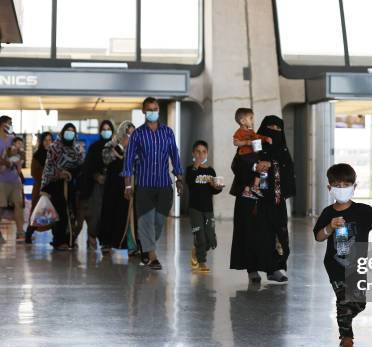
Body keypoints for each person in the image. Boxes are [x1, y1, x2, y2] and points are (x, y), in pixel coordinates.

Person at [314, 164, 372, 347]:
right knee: (343, 300)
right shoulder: (328, 213)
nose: (342, 189)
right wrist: (330, 228)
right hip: (335, 264)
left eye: (346, 184)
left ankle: (347, 318)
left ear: (354, 187)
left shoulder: (362, 211)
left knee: (359, 303)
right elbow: (318, 237)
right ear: (330, 188)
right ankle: (347, 339)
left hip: (357, 267)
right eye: (337, 185)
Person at [230, 115, 296, 284]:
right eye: (270, 127)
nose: (274, 132)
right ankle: (252, 269)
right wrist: (255, 166)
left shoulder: (283, 150)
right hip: (254, 201)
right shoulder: (255, 142)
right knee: (252, 234)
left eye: (277, 129)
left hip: (275, 201)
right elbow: (239, 163)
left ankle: (274, 268)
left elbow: (288, 171)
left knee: (274, 234)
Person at [122, 97, 184, 270]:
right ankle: (152, 255)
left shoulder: (168, 132)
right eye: (149, 109)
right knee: (146, 221)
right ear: (143, 111)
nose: (153, 112)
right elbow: (128, 161)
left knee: (159, 221)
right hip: (144, 185)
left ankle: (145, 245)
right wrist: (127, 184)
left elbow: (174, 155)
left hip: (164, 184)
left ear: (158, 110)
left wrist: (179, 177)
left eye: (155, 109)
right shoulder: (138, 134)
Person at [41, 123, 85, 250]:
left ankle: (70, 239)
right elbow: (48, 167)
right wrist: (59, 174)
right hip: (56, 186)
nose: (70, 134)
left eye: (72, 132)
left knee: (72, 213)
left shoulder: (78, 149)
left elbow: (81, 168)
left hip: (71, 185)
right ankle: (59, 241)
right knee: (59, 213)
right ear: (62, 132)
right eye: (67, 131)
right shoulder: (54, 148)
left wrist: (70, 174)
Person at [0, 115, 26, 242]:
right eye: (9, 123)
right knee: (0, 205)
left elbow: (19, 152)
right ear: (3, 124)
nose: (10, 125)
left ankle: (20, 233)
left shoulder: (13, 138)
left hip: (14, 179)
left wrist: (20, 155)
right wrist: (6, 163)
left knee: (18, 204)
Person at [187, 140, 224, 272]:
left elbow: (214, 190)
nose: (200, 155)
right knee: (200, 236)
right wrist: (195, 167)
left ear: (207, 153)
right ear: (193, 153)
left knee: (210, 239)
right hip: (195, 208)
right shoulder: (190, 169)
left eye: (203, 152)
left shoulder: (210, 171)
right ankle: (201, 261)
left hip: (208, 209)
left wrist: (217, 187)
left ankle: (196, 251)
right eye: (198, 152)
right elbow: (189, 182)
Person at [99, 121, 134, 252]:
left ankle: (125, 243)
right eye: (128, 132)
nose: (130, 136)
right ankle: (106, 242)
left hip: (128, 184)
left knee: (125, 214)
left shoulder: (136, 147)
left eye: (132, 133)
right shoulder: (110, 145)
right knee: (109, 211)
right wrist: (120, 146)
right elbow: (106, 159)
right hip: (113, 184)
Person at [80, 120, 114, 251]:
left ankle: (106, 242)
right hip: (96, 186)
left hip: (111, 187)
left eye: (108, 129)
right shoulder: (94, 147)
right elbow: (88, 167)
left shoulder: (115, 147)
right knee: (96, 213)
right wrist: (96, 176)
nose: (106, 131)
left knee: (109, 213)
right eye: (104, 129)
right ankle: (92, 236)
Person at [232, 108, 272, 199]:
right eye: (251, 118)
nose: (253, 121)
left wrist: (266, 138)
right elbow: (235, 142)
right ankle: (252, 188)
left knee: (261, 169)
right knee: (257, 169)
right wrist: (246, 142)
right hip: (245, 157)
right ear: (242, 121)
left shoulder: (251, 131)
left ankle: (254, 187)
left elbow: (258, 137)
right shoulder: (239, 132)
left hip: (253, 156)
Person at [25, 131, 53, 243]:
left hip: (53, 188)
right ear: (42, 142)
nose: (48, 142)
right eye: (45, 140)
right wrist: (47, 174)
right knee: (37, 211)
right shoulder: (37, 155)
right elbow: (34, 172)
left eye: (50, 140)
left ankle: (57, 238)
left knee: (53, 212)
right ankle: (28, 234)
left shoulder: (54, 154)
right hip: (40, 188)